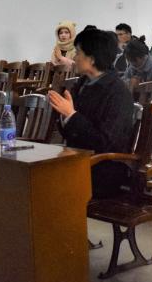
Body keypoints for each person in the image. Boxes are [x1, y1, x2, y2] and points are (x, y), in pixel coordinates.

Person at [48, 29, 135, 199]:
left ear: (93, 58)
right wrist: (65, 116)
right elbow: (70, 132)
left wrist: (71, 115)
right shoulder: (83, 84)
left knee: (42, 183)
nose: (74, 58)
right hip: (78, 159)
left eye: (78, 52)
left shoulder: (117, 92)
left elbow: (106, 143)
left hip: (102, 168)